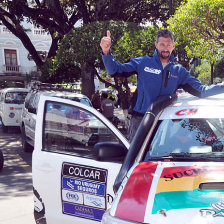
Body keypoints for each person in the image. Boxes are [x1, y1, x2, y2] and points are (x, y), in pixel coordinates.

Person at [100, 29, 224, 142]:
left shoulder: (179, 71)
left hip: (164, 121)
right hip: (140, 120)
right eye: (162, 44)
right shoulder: (143, 62)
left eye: (169, 45)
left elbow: (201, 91)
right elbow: (115, 70)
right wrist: (106, 52)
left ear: (173, 46)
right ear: (156, 44)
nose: (165, 48)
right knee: (136, 158)